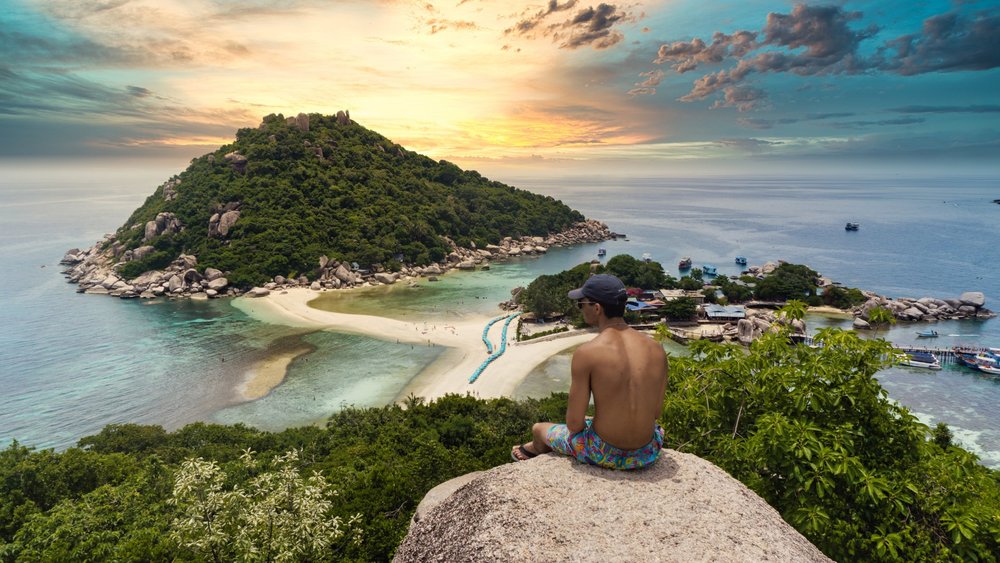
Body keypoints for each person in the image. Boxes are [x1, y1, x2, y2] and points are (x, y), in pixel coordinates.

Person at [511, 274, 668, 469]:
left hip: (603, 452)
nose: (580, 308)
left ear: (596, 308)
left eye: (581, 303)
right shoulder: (657, 349)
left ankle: (534, 448)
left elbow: (574, 425)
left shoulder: (587, 353)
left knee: (539, 428)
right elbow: (655, 412)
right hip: (647, 452)